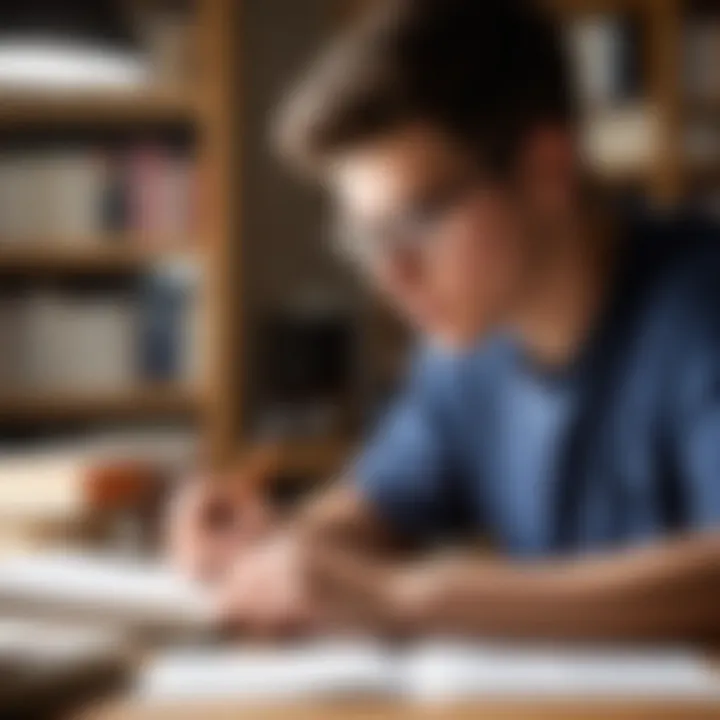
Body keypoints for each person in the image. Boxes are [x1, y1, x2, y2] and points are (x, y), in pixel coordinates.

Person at [169, 0, 720, 640]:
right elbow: (378, 508)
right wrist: (277, 548)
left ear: (547, 168)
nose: (390, 276)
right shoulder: (466, 347)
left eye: (416, 223)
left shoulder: (700, 312)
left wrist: (414, 598)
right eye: (366, 239)